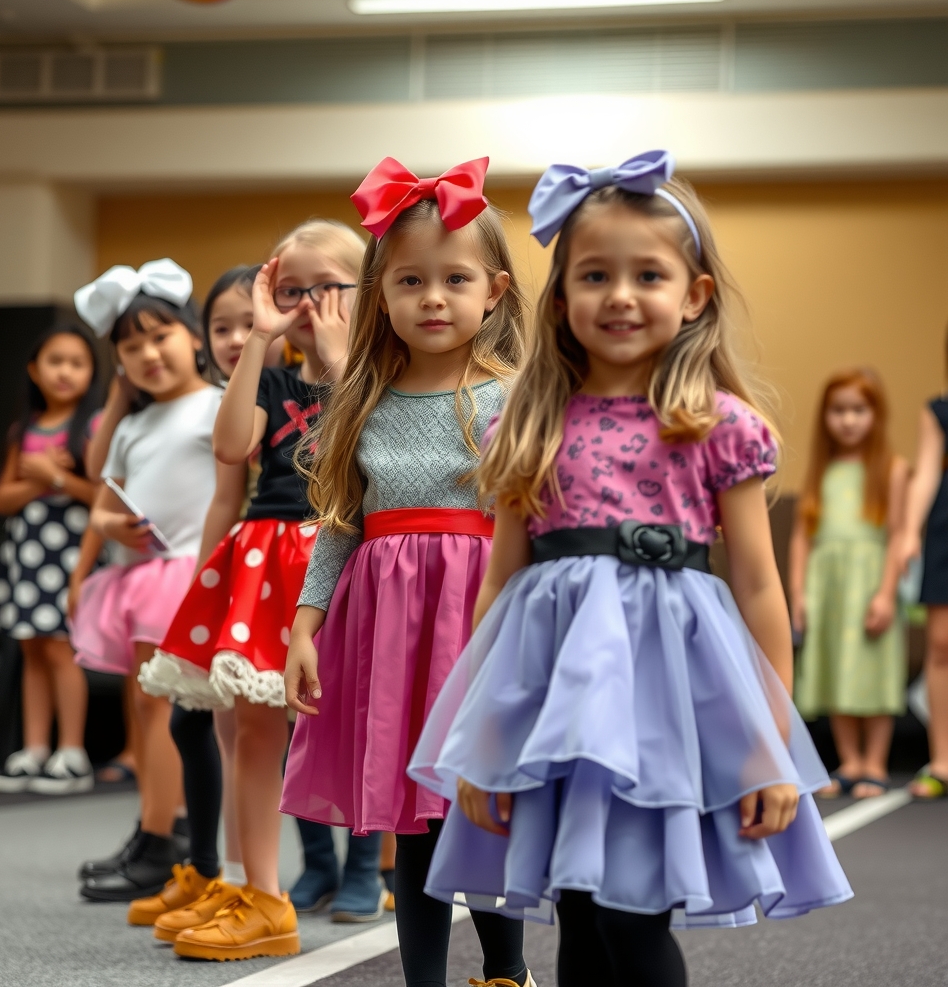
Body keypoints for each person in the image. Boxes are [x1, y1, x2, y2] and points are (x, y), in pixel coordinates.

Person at [407, 151, 853, 987]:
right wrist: (481, 737)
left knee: (633, 914)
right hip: (556, 705)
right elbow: (501, 586)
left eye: (648, 274)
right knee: (578, 910)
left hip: (665, 708)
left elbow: (758, 587)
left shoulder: (719, 425)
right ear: (563, 295)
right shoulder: (530, 424)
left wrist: (772, 748)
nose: (619, 295)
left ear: (694, 295)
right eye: (594, 274)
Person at [283, 158, 532, 987]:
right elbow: (341, 524)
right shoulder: (364, 399)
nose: (433, 297)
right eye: (410, 280)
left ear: (493, 290)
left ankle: (507, 972)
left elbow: (533, 522)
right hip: (387, 628)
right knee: (413, 819)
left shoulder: (515, 397)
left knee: (480, 801)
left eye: (454, 279)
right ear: (379, 293)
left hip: (480, 620)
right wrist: (306, 626)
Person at [139, 221, 366, 960]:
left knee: (361, 722)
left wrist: (337, 358)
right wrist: (262, 341)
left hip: (343, 555)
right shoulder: (266, 377)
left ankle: (367, 864)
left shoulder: (376, 378)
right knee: (256, 734)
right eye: (289, 289)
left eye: (323, 288)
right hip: (266, 559)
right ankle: (265, 894)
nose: (305, 304)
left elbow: (362, 455)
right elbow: (231, 449)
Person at [71, 259, 222, 902]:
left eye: (160, 337)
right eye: (130, 347)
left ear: (193, 335)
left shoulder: (216, 407)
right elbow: (100, 478)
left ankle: (164, 839)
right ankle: (155, 827)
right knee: (144, 710)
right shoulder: (132, 424)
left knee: (166, 709)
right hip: (137, 576)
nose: (148, 354)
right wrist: (93, 552)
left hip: (187, 571)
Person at [0, 326, 102, 795]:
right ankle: (34, 748)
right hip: (26, 553)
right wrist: (38, 478)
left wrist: (55, 475)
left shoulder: (92, 428)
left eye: (77, 362)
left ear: (92, 372)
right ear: (34, 370)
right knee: (31, 646)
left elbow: (100, 495)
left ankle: (72, 752)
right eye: (55, 361)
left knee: (60, 648)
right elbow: (1, 499)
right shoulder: (24, 429)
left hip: (69, 552)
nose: (65, 371)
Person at [790, 369, 908, 798]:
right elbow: (803, 536)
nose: (848, 420)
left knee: (872, 671)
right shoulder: (822, 471)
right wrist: (799, 593)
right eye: (838, 411)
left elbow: (899, 535)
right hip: (829, 584)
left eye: (859, 410)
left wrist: (886, 592)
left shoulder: (892, 471)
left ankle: (875, 762)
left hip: (869, 580)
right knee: (836, 668)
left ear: (876, 415)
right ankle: (850, 760)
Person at [900, 326, 948, 799]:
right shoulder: (938, 410)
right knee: (941, 645)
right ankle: (942, 761)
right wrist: (910, 531)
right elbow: (927, 472)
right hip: (945, 531)